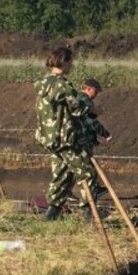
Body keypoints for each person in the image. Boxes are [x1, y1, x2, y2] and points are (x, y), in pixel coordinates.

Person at [34, 47, 94, 220]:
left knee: (63, 175)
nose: (72, 65)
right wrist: (94, 109)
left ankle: (51, 214)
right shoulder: (61, 84)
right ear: (64, 61)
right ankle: (89, 213)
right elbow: (76, 107)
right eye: (71, 61)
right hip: (64, 139)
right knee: (87, 173)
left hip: (50, 137)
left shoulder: (44, 83)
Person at [76, 78, 112, 154]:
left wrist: (96, 141)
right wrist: (106, 135)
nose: (96, 95)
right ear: (89, 89)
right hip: (83, 140)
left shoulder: (76, 97)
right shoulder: (86, 101)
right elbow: (90, 121)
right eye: (95, 92)